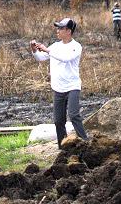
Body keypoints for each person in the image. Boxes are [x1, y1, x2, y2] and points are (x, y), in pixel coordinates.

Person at [30, 18, 88, 149]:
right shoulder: (55, 46)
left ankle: (86, 143)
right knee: (58, 121)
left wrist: (47, 50)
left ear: (68, 31)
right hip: (58, 88)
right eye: (57, 28)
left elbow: (65, 58)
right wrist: (34, 50)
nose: (57, 30)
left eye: (60, 28)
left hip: (72, 87)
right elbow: (41, 58)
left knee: (73, 115)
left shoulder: (76, 46)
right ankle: (63, 148)